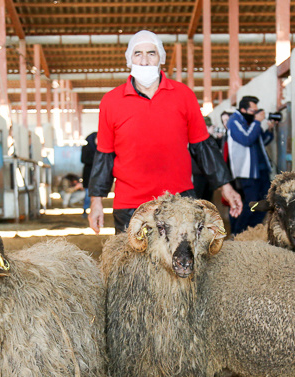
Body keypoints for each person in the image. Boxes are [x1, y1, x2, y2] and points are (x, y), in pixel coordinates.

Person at [87, 30, 242, 234]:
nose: (144, 60)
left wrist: (226, 187)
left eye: (151, 53)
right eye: (137, 54)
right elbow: (104, 155)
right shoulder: (111, 101)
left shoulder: (183, 95)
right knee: (132, 264)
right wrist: (96, 202)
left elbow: (203, 146)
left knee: (184, 263)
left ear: (161, 58)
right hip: (130, 205)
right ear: (129, 59)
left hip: (179, 201)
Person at [226, 95, 275, 235]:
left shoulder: (250, 122)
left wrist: (270, 129)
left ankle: (252, 231)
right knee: (251, 204)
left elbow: (260, 141)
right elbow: (246, 139)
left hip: (261, 170)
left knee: (266, 202)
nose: (255, 114)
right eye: (253, 111)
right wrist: (257, 122)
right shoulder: (234, 121)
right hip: (247, 172)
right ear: (243, 109)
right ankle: (238, 233)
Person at [80, 131, 97, 218]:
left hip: (96, 175)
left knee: (95, 195)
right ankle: (85, 210)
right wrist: (95, 161)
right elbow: (83, 160)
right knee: (87, 194)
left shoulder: (99, 148)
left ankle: (93, 211)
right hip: (88, 174)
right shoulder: (86, 148)